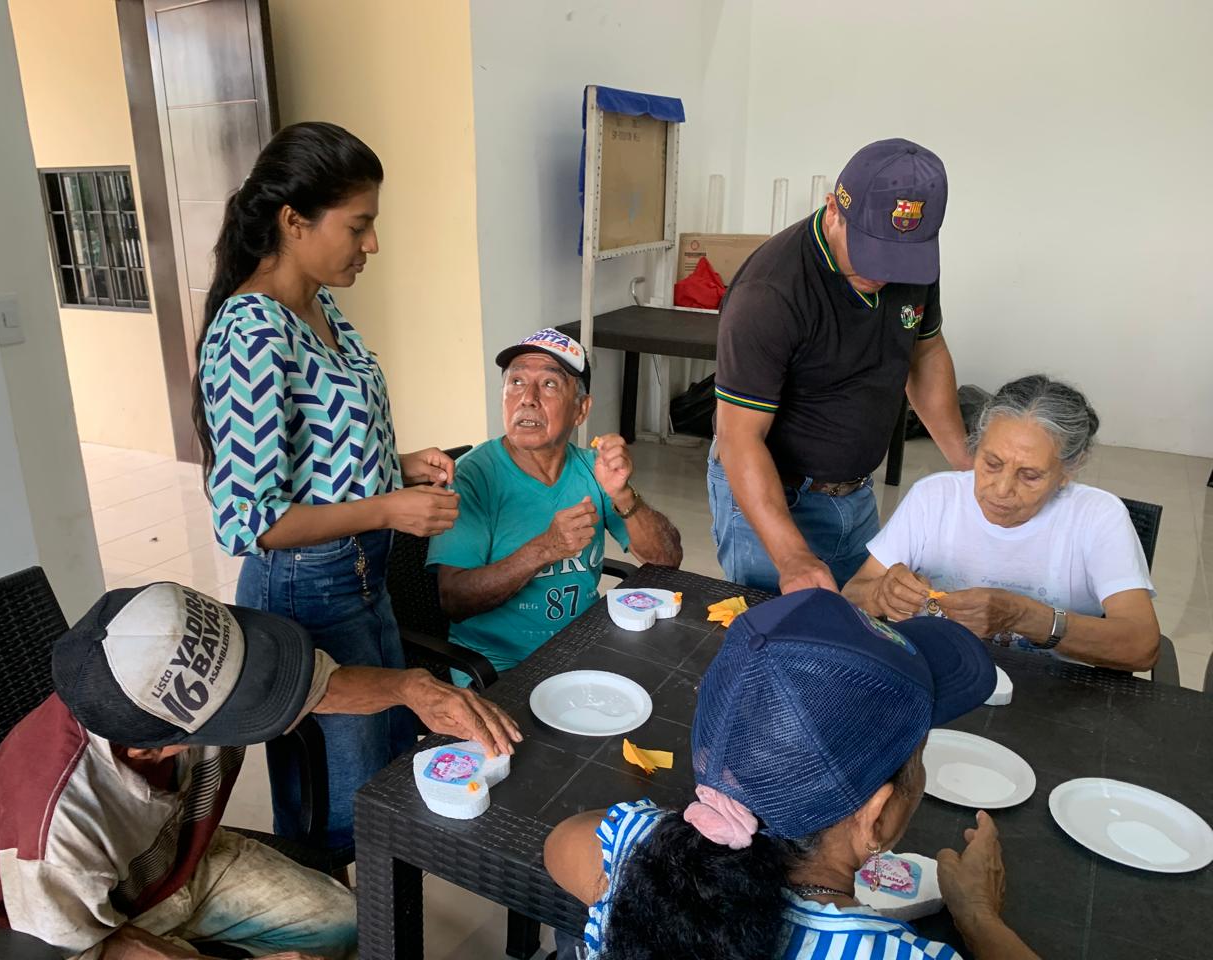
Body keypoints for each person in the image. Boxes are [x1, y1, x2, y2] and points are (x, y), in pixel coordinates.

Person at [0, 582, 520, 960]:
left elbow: (321, 687)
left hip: (183, 859)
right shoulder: (54, 828)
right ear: (153, 751)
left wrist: (411, 688)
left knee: (349, 922)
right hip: (77, 931)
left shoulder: (176, 666)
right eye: (242, 706)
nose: (262, 697)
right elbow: (75, 951)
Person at [194, 122, 463, 852]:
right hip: (304, 590)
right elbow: (251, 521)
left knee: (381, 774)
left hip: (361, 575)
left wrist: (396, 464)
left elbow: (314, 450)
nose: (371, 243)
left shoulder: (318, 304)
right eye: (358, 224)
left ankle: (370, 904)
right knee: (340, 808)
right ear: (293, 221)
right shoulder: (252, 333)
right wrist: (388, 507)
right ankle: (336, 910)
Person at [544, 589, 1039, 960]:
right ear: (878, 816)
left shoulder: (633, 849)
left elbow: (563, 841)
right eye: (920, 756)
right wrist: (979, 918)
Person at [709, 138, 974, 596]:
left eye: (898, 257)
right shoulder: (771, 293)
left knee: (865, 621)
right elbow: (739, 437)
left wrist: (968, 467)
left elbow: (925, 353)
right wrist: (792, 557)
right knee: (781, 631)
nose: (884, 273)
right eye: (872, 251)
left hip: (857, 494)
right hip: (777, 498)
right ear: (833, 209)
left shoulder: (910, 263)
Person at [843, 375, 1160, 671]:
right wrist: (882, 594)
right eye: (991, 463)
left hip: (1052, 691)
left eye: (1030, 475)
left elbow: (1141, 646)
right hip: (935, 673)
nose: (1002, 489)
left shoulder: (1098, 517)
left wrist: (1025, 617)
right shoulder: (934, 497)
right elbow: (852, 594)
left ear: (1068, 470)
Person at [428, 329, 683, 679]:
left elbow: (667, 559)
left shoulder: (593, 469)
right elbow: (454, 600)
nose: (527, 398)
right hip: (498, 668)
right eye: (516, 382)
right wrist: (545, 549)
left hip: (583, 650)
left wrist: (623, 494)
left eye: (549, 384)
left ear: (581, 409)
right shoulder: (473, 476)